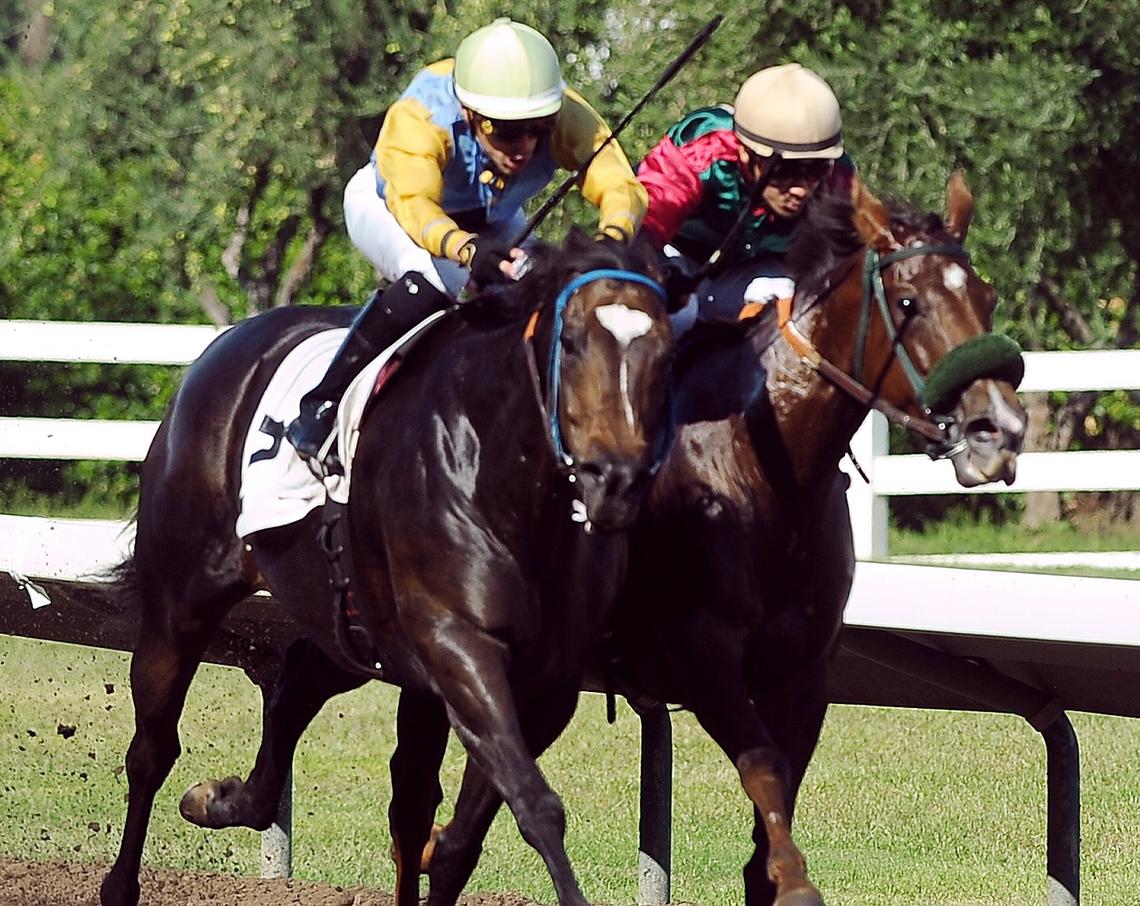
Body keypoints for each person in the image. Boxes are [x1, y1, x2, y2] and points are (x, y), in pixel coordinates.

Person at [287, 17, 648, 466]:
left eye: (539, 127)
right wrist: (467, 249)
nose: (526, 146)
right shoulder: (422, 117)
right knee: (435, 279)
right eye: (507, 131)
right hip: (392, 209)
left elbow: (621, 186)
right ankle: (323, 402)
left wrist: (609, 240)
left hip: (491, 220)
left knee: (538, 286)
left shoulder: (566, 114)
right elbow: (415, 206)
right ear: (469, 114)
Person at [636, 62, 857, 326]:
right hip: (675, 259)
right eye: (785, 170)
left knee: (796, 304)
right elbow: (644, 230)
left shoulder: (838, 180)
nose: (801, 189)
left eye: (816, 169)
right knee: (682, 315)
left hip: (749, 272)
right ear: (745, 152)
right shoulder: (701, 152)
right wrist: (661, 274)